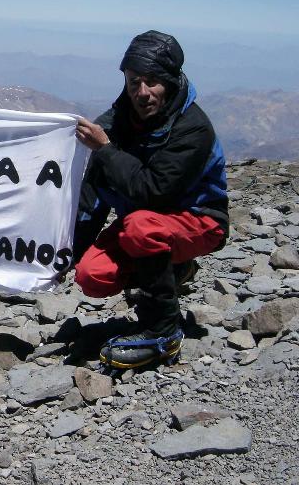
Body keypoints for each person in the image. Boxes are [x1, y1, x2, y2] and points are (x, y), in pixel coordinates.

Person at [72, 30, 228, 370]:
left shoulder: (193, 128)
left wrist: (105, 150)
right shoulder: (116, 122)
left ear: (170, 81)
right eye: (134, 82)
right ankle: (169, 269)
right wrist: (72, 252)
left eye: (153, 81)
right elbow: (93, 191)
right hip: (144, 224)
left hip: (199, 220)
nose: (142, 92)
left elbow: (153, 191)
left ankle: (163, 332)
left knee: (143, 227)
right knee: (91, 275)